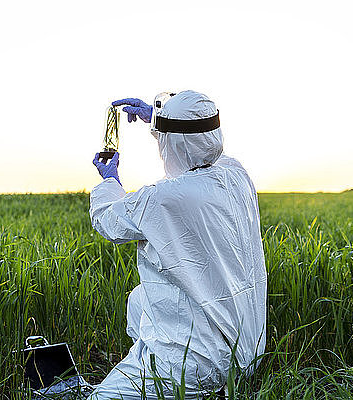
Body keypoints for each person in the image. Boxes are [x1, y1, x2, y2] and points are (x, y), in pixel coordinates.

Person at [88, 90, 267, 399]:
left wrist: (109, 179)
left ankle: (163, 382)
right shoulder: (235, 173)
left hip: (195, 364)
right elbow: (197, 139)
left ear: (173, 143)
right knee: (139, 300)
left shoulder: (165, 198)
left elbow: (108, 219)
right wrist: (156, 119)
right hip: (246, 348)